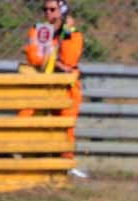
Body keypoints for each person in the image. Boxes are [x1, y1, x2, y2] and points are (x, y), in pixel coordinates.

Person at [23, 1, 84, 161]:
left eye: (52, 9)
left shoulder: (73, 34)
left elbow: (69, 61)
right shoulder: (38, 30)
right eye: (45, 9)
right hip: (41, 85)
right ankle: (27, 162)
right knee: (25, 120)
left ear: (62, 11)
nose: (48, 13)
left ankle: (64, 163)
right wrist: (55, 63)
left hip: (65, 87)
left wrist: (66, 32)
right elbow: (33, 57)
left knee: (64, 128)